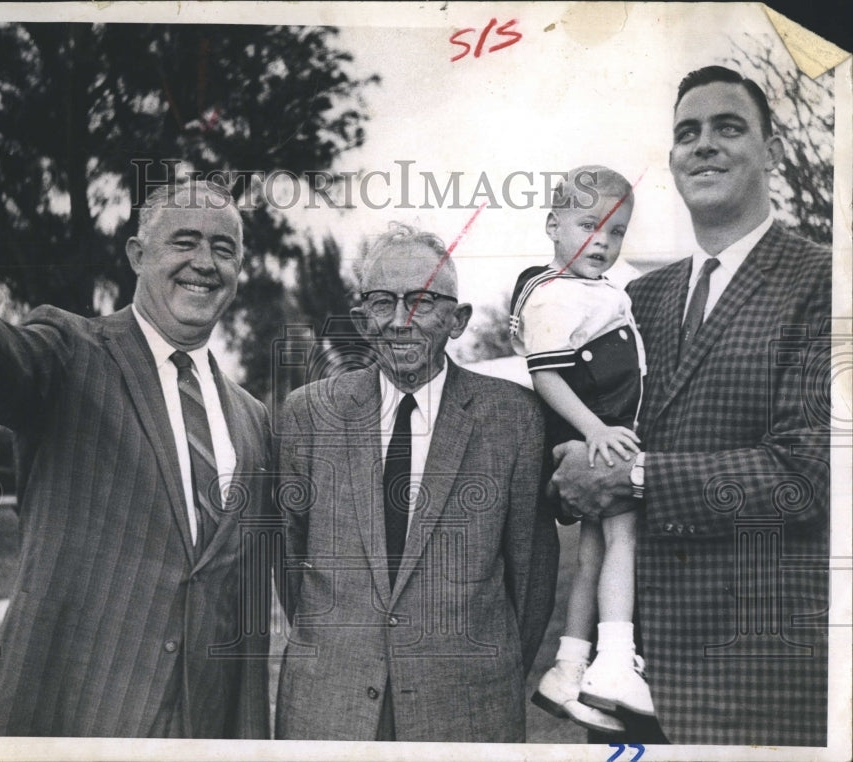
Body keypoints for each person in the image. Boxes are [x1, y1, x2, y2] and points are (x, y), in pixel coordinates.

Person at [0, 180, 275, 738]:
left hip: (204, 730)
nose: (205, 262)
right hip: (76, 718)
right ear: (137, 255)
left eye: (224, 249)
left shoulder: (252, 417)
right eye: (185, 241)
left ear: (238, 269)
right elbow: (0, 375)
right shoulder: (71, 349)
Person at [549, 66, 831, 746]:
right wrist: (567, 463)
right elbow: (586, 446)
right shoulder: (635, 298)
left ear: (772, 150)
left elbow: (805, 474)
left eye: (728, 128)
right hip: (630, 682)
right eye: (687, 133)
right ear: (673, 160)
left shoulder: (825, 278)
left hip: (760, 674)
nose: (704, 144)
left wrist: (633, 477)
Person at [274, 223, 559, 742]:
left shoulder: (514, 418)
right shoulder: (309, 413)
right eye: (383, 302)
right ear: (362, 319)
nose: (400, 320)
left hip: (466, 711)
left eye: (423, 301)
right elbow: (288, 562)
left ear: (458, 319)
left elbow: (531, 575)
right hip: (330, 707)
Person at [509, 166, 652, 736]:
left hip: (604, 431)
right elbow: (545, 375)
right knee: (623, 540)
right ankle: (615, 660)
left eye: (616, 232)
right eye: (588, 226)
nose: (603, 242)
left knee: (594, 553)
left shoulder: (593, 289)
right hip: (600, 435)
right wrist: (595, 430)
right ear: (553, 225)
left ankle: (568, 667)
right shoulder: (552, 294)